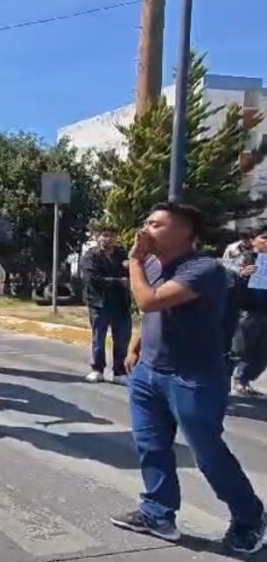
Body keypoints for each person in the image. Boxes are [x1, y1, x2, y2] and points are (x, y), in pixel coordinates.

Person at [110, 203, 266, 553]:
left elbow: (149, 301)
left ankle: (249, 517)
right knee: (151, 447)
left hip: (192, 377)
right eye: (147, 221)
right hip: (149, 373)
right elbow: (153, 311)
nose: (146, 229)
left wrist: (135, 260)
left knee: (207, 454)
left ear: (185, 233)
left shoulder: (203, 268)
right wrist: (136, 346)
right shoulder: (157, 265)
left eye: (156, 224)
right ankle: (157, 513)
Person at [81, 225, 132, 384]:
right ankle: (97, 369)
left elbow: (132, 273)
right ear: (98, 237)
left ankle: (119, 372)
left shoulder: (122, 255)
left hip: (121, 304)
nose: (107, 239)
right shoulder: (91, 256)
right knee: (99, 337)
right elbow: (93, 279)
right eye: (104, 235)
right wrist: (119, 282)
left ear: (116, 238)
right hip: (99, 303)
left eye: (111, 236)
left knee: (122, 338)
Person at [230, 227, 267, 397]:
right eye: (264, 238)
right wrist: (242, 274)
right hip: (248, 310)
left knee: (262, 351)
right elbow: (227, 274)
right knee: (243, 347)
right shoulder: (244, 258)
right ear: (253, 240)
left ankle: (246, 380)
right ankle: (238, 380)